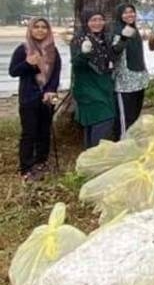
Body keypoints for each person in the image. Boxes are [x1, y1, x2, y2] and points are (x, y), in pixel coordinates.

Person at [8, 17, 61, 181]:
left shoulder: (53, 50)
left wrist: (51, 90)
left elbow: (55, 74)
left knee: (44, 132)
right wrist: (28, 63)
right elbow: (13, 71)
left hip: (47, 98)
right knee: (29, 133)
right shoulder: (23, 49)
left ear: (48, 30)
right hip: (29, 98)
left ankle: (41, 162)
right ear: (30, 30)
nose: (40, 30)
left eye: (43, 27)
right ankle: (26, 168)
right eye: (36, 27)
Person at [71, 10, 116, 148]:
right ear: (86, 22)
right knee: (103, 120)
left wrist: (124, 40)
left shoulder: (104, 40)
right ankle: (93, 156)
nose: (97, 23)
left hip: (104, 86)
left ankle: (90, 156)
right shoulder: (79, 40)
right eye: (93, 20)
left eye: (100, 19)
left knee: (95, 124)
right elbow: (76, 65)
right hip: (88, 88)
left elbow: (112, 57)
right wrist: (84, 54)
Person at [110, 4, 149, 139]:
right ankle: (121, 145)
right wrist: (123, 38)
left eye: (131, 12)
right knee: (123, 119)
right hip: (124, 83)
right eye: (125, 13)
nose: (129, 15)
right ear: (120, 15)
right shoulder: (117, 31)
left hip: (138, 80)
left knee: (134, 116)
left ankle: (130, 146)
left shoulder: (134, 30)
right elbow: (114, 53)